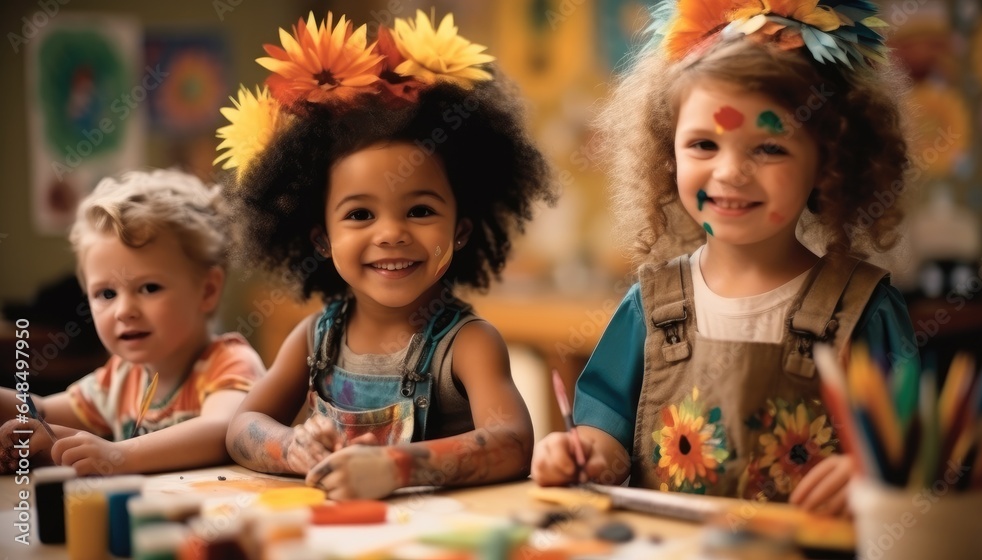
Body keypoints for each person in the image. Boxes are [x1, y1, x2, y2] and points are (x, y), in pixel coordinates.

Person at [531, 0, 918, 517]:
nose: (731, 172)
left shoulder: (864, 311)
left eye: (769, 148)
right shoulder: (651, 306)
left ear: (830, 162)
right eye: (704, 144)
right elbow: (606, 433)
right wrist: (580, 454)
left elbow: (919, 453)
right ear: (668, 155)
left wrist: (870, 478)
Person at [220, 10, 554, 500]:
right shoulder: (316, 338)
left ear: (461, 231)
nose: (391, 234)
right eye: (359, 215)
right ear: (322, 240)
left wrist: (397, 467)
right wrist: (290, 446)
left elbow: (511, 444)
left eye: (419, 210)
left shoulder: (469, 345)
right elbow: (240, 426)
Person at [0, 169, 266, 475]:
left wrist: (120, 455)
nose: (124, 310)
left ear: (207, 290)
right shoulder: (121, 378)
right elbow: (41, 411)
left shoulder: (228, 363)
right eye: (106, 293)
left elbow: (222, 430)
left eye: (149, 288)